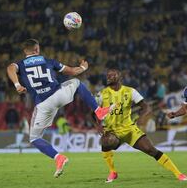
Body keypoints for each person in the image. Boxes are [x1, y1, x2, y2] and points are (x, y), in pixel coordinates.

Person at [7, 39, 112, 178]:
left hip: (43, 105)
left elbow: (10, 68)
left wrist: (17, 85)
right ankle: (99, 111)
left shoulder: (20, 64)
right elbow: (72, 71)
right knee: (76, 83)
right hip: (58, 94)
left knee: (34, 138)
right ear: (37, 49)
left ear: (25, 51)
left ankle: (58, 157)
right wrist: (83, 68)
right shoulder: (49, 61)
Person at [96, 67, 187, 183]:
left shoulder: (130, 91)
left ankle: (178, 174)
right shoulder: (102, 94)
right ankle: (113, 172)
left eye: (112, 75)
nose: (108, 77)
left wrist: (141, 119)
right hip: (112, 130)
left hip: (129, 129)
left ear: (119, 77)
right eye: (108, 75)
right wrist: (98, 124)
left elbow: (146, 107)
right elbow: (94, 110)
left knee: (151, 150)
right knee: (106, 142)